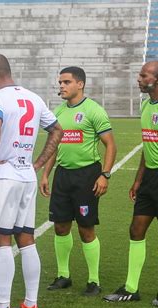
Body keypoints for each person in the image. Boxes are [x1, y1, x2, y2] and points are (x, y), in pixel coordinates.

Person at [103, 61, 158, 307]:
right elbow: (148, 145)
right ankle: (131, 288)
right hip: (149, 179)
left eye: (144, 75)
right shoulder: (146, 105)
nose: (139, 78)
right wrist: (138, 179)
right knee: (136, 230)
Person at [0, 54, 63, 308]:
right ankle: (30, 304)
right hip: (26, 175)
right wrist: (37, 163)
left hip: (3, 176)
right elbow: (57, 130)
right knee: (27, 240)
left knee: (1, 240)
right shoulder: (33, 97)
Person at [40, 66, 117, 296]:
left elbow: (110, 145)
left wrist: (104, 175)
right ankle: (63, 276)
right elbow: (53, 147)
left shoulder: (94, 110)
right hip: (63, 176)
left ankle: (94, 281)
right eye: (60, 82)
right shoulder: (58, 112)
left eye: (66, 82)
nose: (61, 86)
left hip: (87, 176)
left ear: (80, 84)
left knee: (86, 229)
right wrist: (45, 174)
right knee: (61, 226)